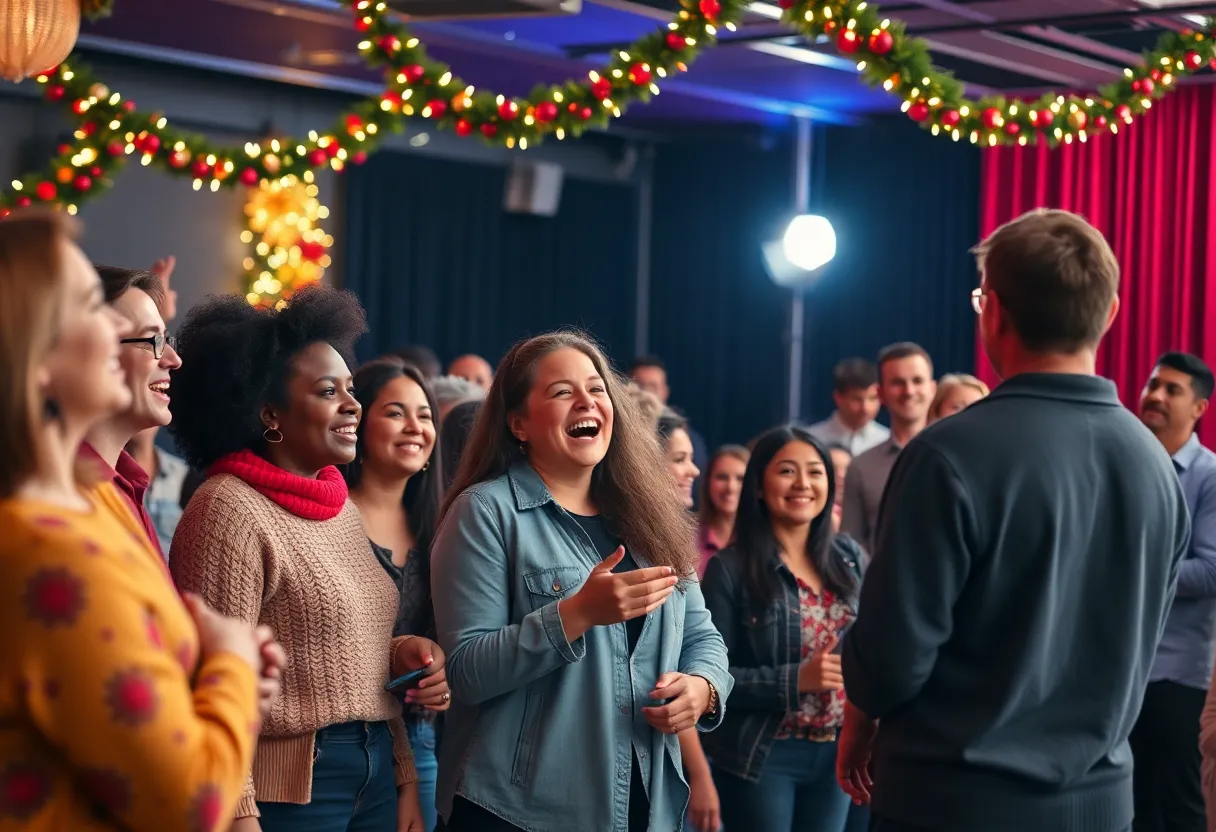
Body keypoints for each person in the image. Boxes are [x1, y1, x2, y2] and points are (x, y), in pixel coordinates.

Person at [837, 208, 1190, 832]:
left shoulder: (947, 456)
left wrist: (860, 722)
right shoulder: (1156, 465)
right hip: (1102, 803)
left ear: (992, 312)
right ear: (1108, 315)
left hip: (951, 801)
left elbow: (891, 663)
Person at [0, 210, 282, 830]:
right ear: (33, 349)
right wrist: (231, 661)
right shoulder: (42, 542)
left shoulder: (82, 508)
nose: (165, 358)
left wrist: (215, 675)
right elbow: (188, 800)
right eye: (88, 308)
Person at [431, 330, 733, 831]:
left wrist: (703, 688)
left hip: (645, 801)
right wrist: (576, 614)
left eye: (596, 389)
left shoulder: (651, 513)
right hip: (520, 811)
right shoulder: (485, 512)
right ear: (519, 424)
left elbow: (702, 635)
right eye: (561, 392)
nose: (586, 402)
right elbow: (466, 672)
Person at [168, 287, 435, 832]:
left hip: (379, 771)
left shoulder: (338, 505)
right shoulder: (226, 509)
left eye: (351, 389)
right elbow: (209, 679)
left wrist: (404, 656)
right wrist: (237, 812)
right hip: (289, 790)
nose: (352, 404)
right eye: (326, 391)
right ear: (269, 413)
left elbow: (351, 656)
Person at [702, 426, 862, 832]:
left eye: (815, 471)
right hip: (765, 754)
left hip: (841, 750)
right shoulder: (729, 569)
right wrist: (796, 679)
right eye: (787, 471)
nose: (803, 484)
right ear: (758, 486)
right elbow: (711, 680)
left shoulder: (850, 558)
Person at [345, 359, 453, 832]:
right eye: (395, 413)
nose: (415, 426)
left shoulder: (443, 531)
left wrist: (443, 680)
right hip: (334, 744)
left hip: (420, 742)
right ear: (359, 422)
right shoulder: (328, 518)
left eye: (425, 414)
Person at [1135, 352, 1216, 832]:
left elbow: (1210, 571)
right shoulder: (1127, 459)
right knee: (1130, 802)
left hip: (1177, 672)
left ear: (1200, 409)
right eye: (1152, 384)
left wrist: (1132, 570)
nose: (1155, 396)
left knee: (1179, 808)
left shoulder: (1210, 476)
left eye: (1172, 390)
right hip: (1122, 663)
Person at [78, 265, 182, 558]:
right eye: (153, 341)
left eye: (166, 340)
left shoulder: (127, 486)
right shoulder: (67, 498)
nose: (174, 360)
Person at [657, 409, 719, 832]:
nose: (693, 468)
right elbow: (661, 675)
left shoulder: (672, 538)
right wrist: (699, 774)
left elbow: (703, 639)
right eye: (679, 458)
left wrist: (706, 685)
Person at [839, 343, 935, 557]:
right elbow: (851, 546)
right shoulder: (861, 467)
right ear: (880, 394)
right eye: (898, 383)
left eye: (917, 381)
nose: (908, 391)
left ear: (932, 388)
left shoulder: (958, 458)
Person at [808, 359, 888, 456]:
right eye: (857, 399)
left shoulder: (887, 441)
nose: (866, 408)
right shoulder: (811, 441)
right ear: (838, 398)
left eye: (873, 398)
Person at [697, 445, 750, 576]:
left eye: (740, 479)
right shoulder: (687, 541)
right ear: (707, 482)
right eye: (722, 477)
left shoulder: (768, 542)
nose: (731, 487)